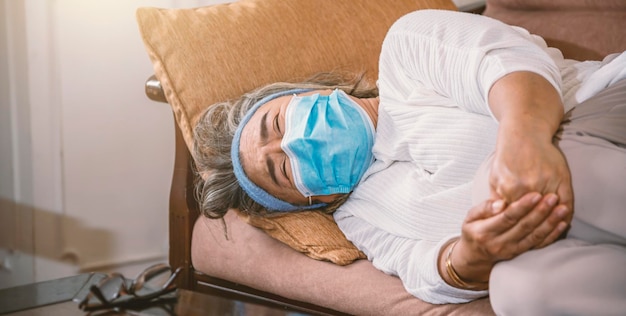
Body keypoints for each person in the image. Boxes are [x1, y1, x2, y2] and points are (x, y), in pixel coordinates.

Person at [193, 9, 626, 315]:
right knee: (518, 291)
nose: (294, 143)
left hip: (597, 111)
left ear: (301, 91)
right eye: (282, 169)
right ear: (309, 202)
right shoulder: (361, 222)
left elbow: (508, 64)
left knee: (488, 185)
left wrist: (524, 141)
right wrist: (470, 256)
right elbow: (425, 271)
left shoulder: (404, 50)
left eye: (276, 123)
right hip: (554, 231)